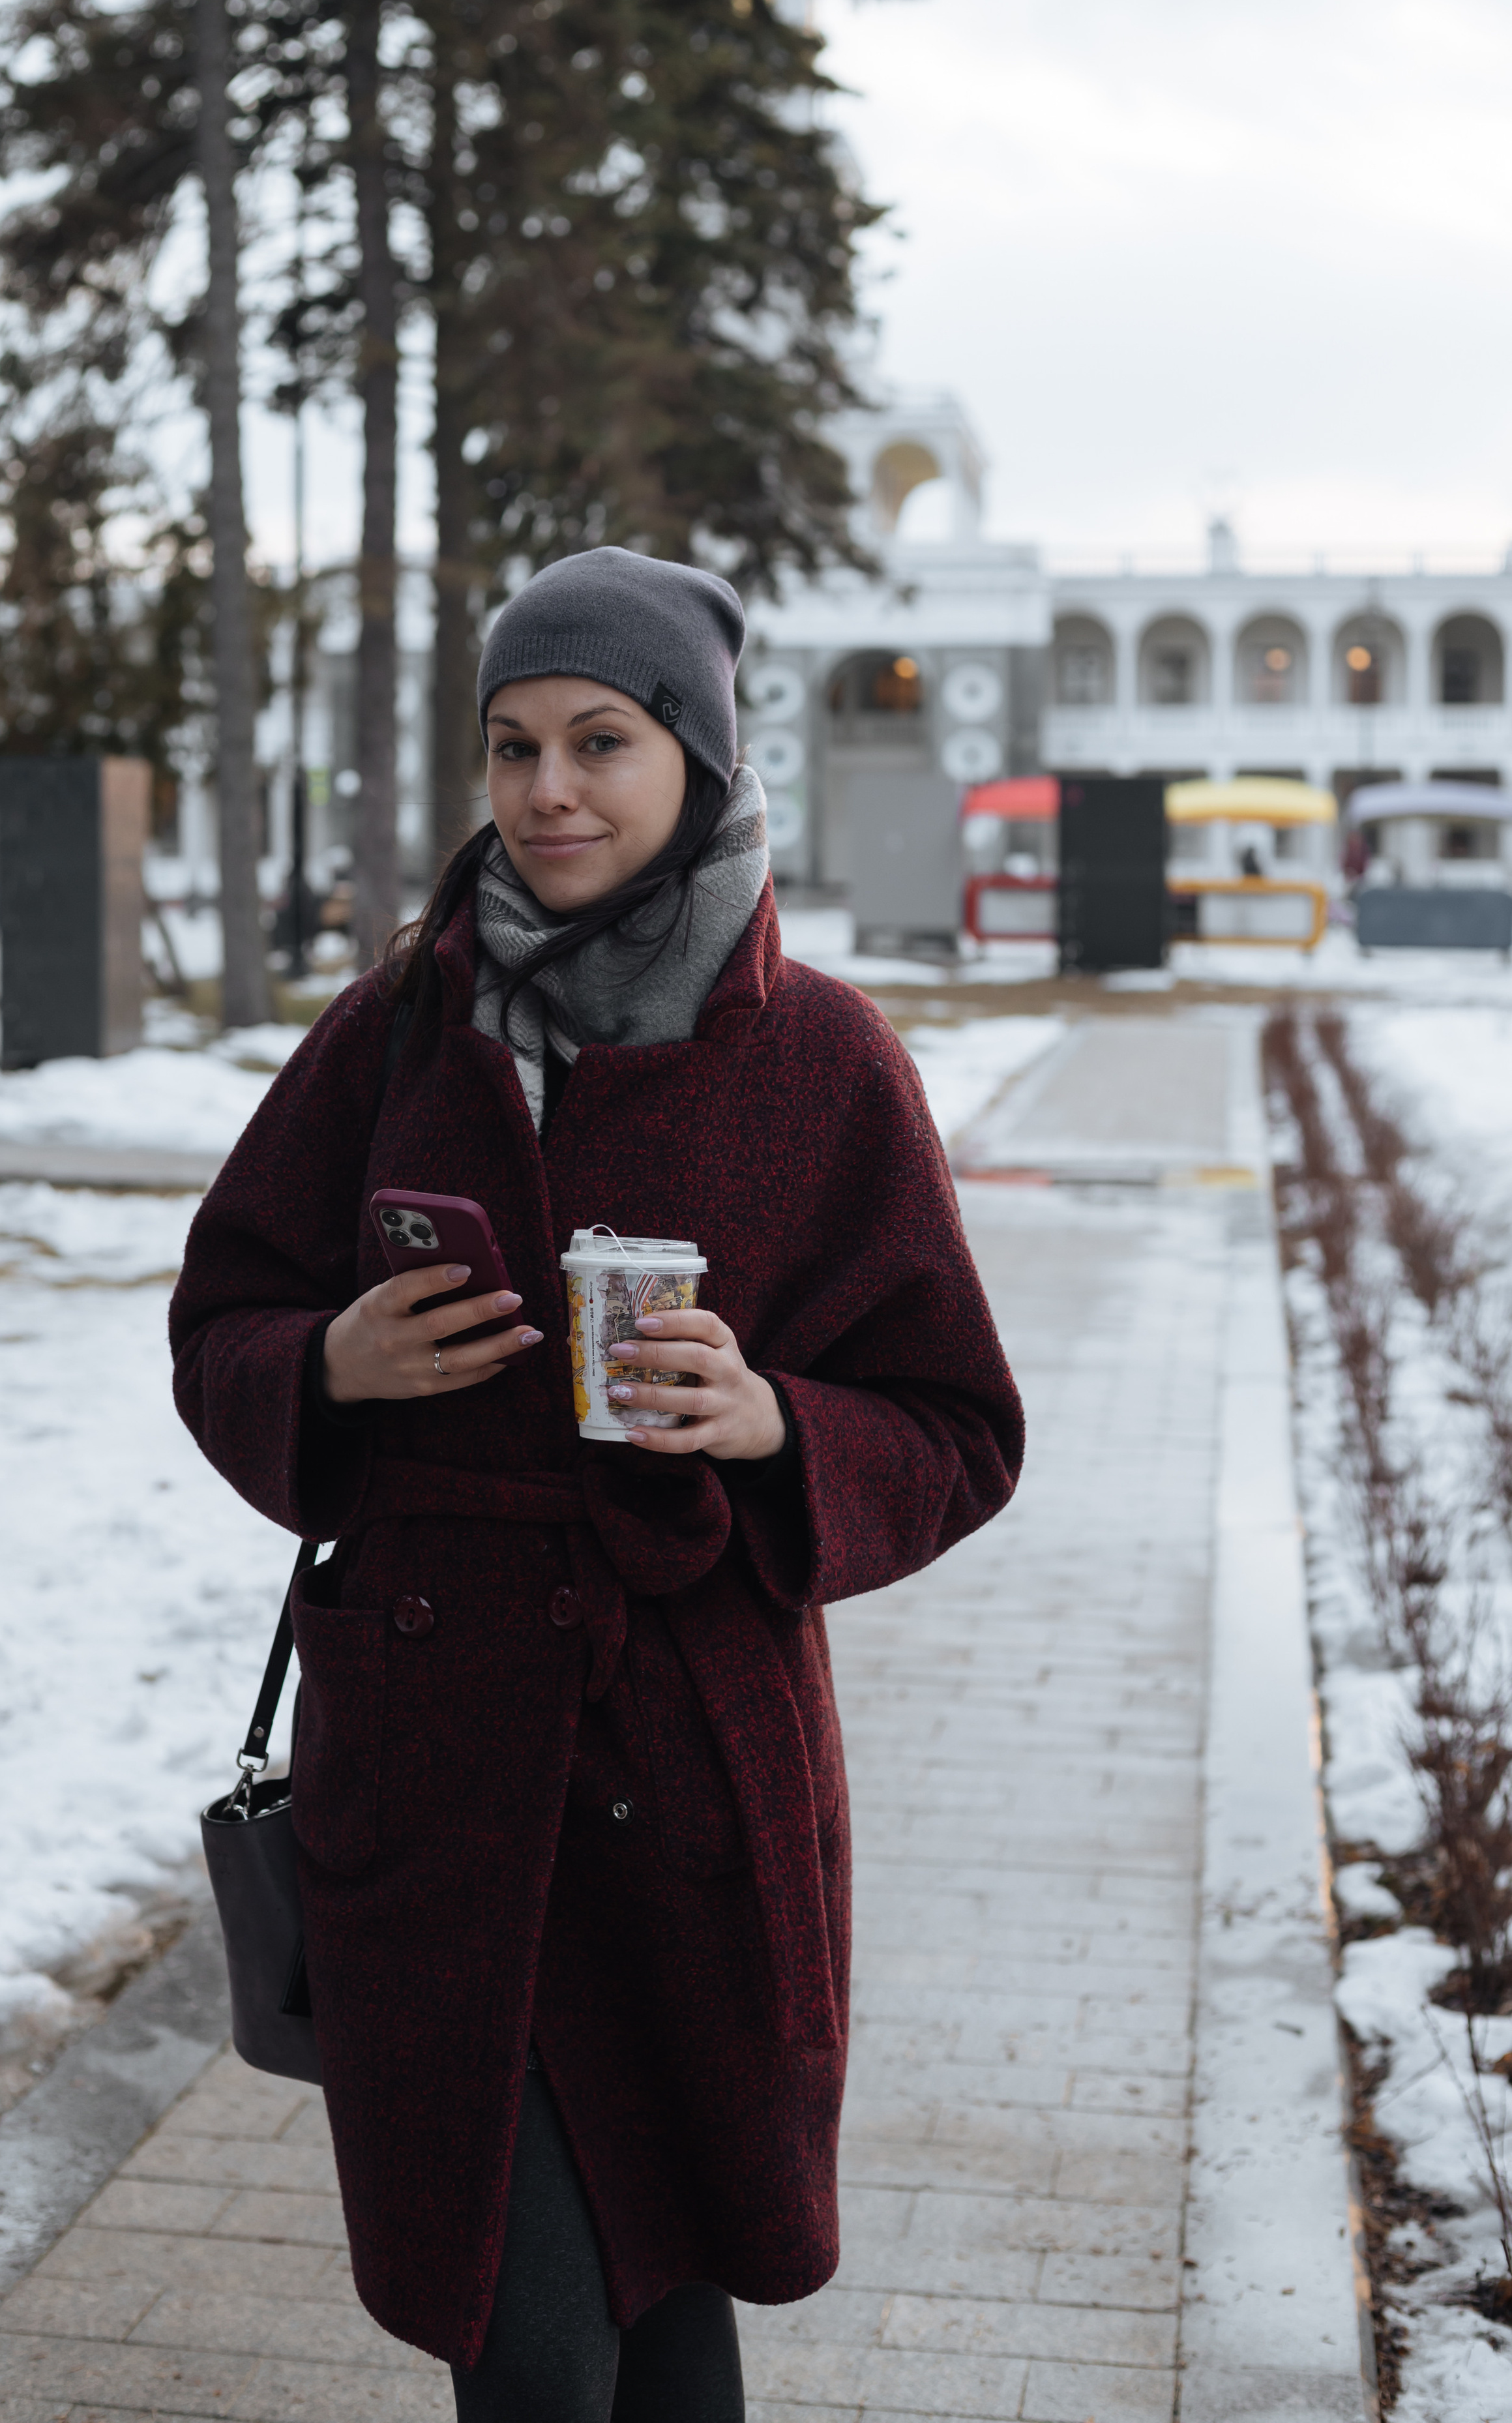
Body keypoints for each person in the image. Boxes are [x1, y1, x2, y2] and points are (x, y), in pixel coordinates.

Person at [170, 548, 1024, 2420]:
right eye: (513, 745)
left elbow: (959, 1429)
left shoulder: (823, 1062)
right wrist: (328, 1362)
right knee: (531, 2325)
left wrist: (778, 1420)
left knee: (669, 2294)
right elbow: (222, 1314)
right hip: (432, 1767)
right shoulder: (399, 1024)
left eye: (602, 742)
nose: (549, 789)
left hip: (692, 1781)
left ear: (700, 765)